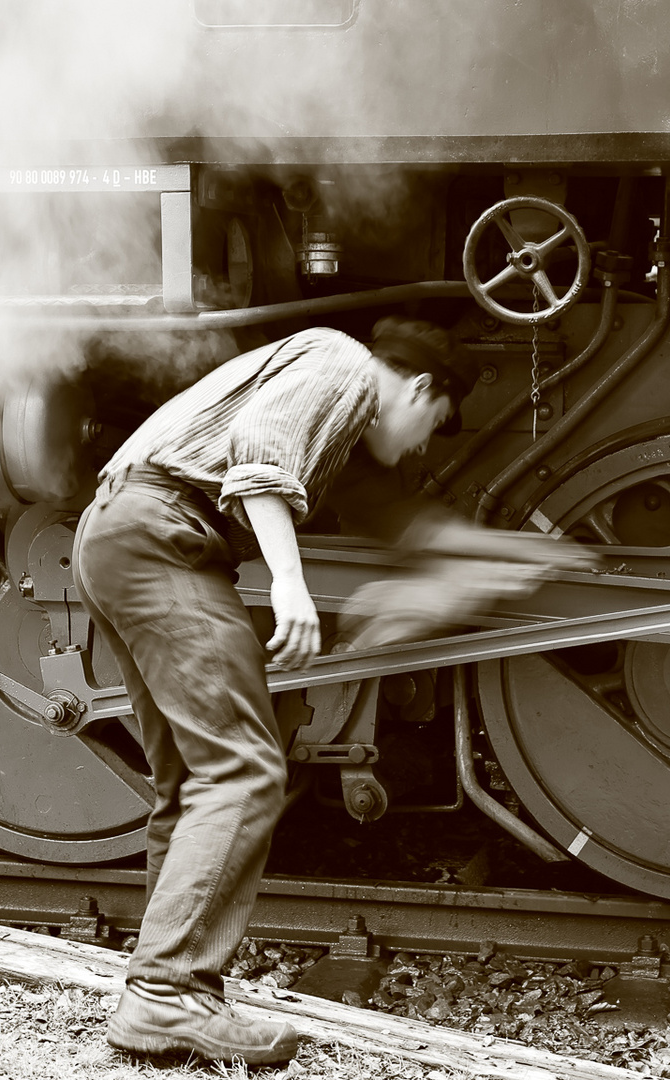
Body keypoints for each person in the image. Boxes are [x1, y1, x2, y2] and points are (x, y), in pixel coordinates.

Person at [73, 316, 469, 1064]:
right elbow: (259, 451)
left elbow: (392, 519)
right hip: (163, 536)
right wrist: (290, 583)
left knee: (194, 780)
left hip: (119, 534)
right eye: (433, 424)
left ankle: (173, 992)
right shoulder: (340, 362)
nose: (420, 445)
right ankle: (164, 993)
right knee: (244, 770)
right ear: (418, 389)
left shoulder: (338, 416)